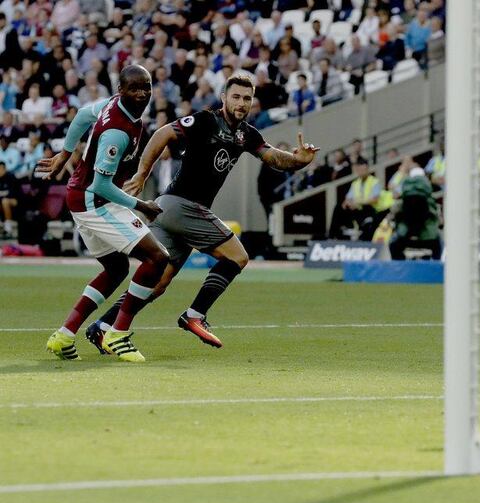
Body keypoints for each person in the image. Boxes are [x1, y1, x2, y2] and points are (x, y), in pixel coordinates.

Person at [85, 73, 319, 350]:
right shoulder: (206, 120)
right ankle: (195, 315)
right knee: (238, 257)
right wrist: (142, 173)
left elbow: (275, 159)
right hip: (181, 206)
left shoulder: (247, 135)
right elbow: (163, 133)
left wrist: (299, 161)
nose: (241, 103)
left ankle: (102, 326)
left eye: (247, 98)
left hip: (170, 211)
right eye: (236, 96)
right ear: (223, 98)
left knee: (156, 283)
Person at [35, 64, 168, 363]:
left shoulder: (113, 104)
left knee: (117, 269)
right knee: (157, 258)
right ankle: (118, 334)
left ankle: (64, 336)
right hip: (95, 202)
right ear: (122, 90)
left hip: (81, 197)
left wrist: (66, 153)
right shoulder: (117, 133)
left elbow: (83, 114)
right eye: (135, 88)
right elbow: (102, 185)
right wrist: (142, 205)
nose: (142, 93)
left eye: (146, 87)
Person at [388, 167, 441, 260]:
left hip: (405, 237)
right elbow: (438, 220)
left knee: (393, 244)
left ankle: (400, 269)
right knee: (439, 243)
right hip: (428, 239)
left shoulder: (401, 200)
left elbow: (394, 215)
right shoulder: (431, 201)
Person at [0, 161, 20, 238]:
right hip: (2, 201)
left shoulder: (11, 177)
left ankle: (8, 228)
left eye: (1, 169)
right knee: (3, 201)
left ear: (4, 169)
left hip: (15, 201)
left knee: (5, 201)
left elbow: (14, 193)